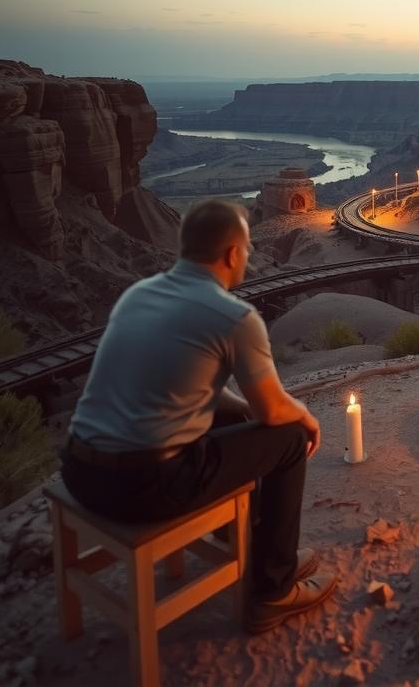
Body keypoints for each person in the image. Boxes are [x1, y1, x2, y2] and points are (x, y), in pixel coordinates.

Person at [62, 199, 336, 634]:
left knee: (235, 422)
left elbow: (186, 390)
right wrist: (304, 416)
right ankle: (273, 590)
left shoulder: (139, 295)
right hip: (143, 488)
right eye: (245, 250)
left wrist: (244, 408)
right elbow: (273, 410)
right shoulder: (234, 316)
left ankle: (251, 549)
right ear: (231, 254)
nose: (246, 257)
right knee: (286, 439)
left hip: (80, 472)